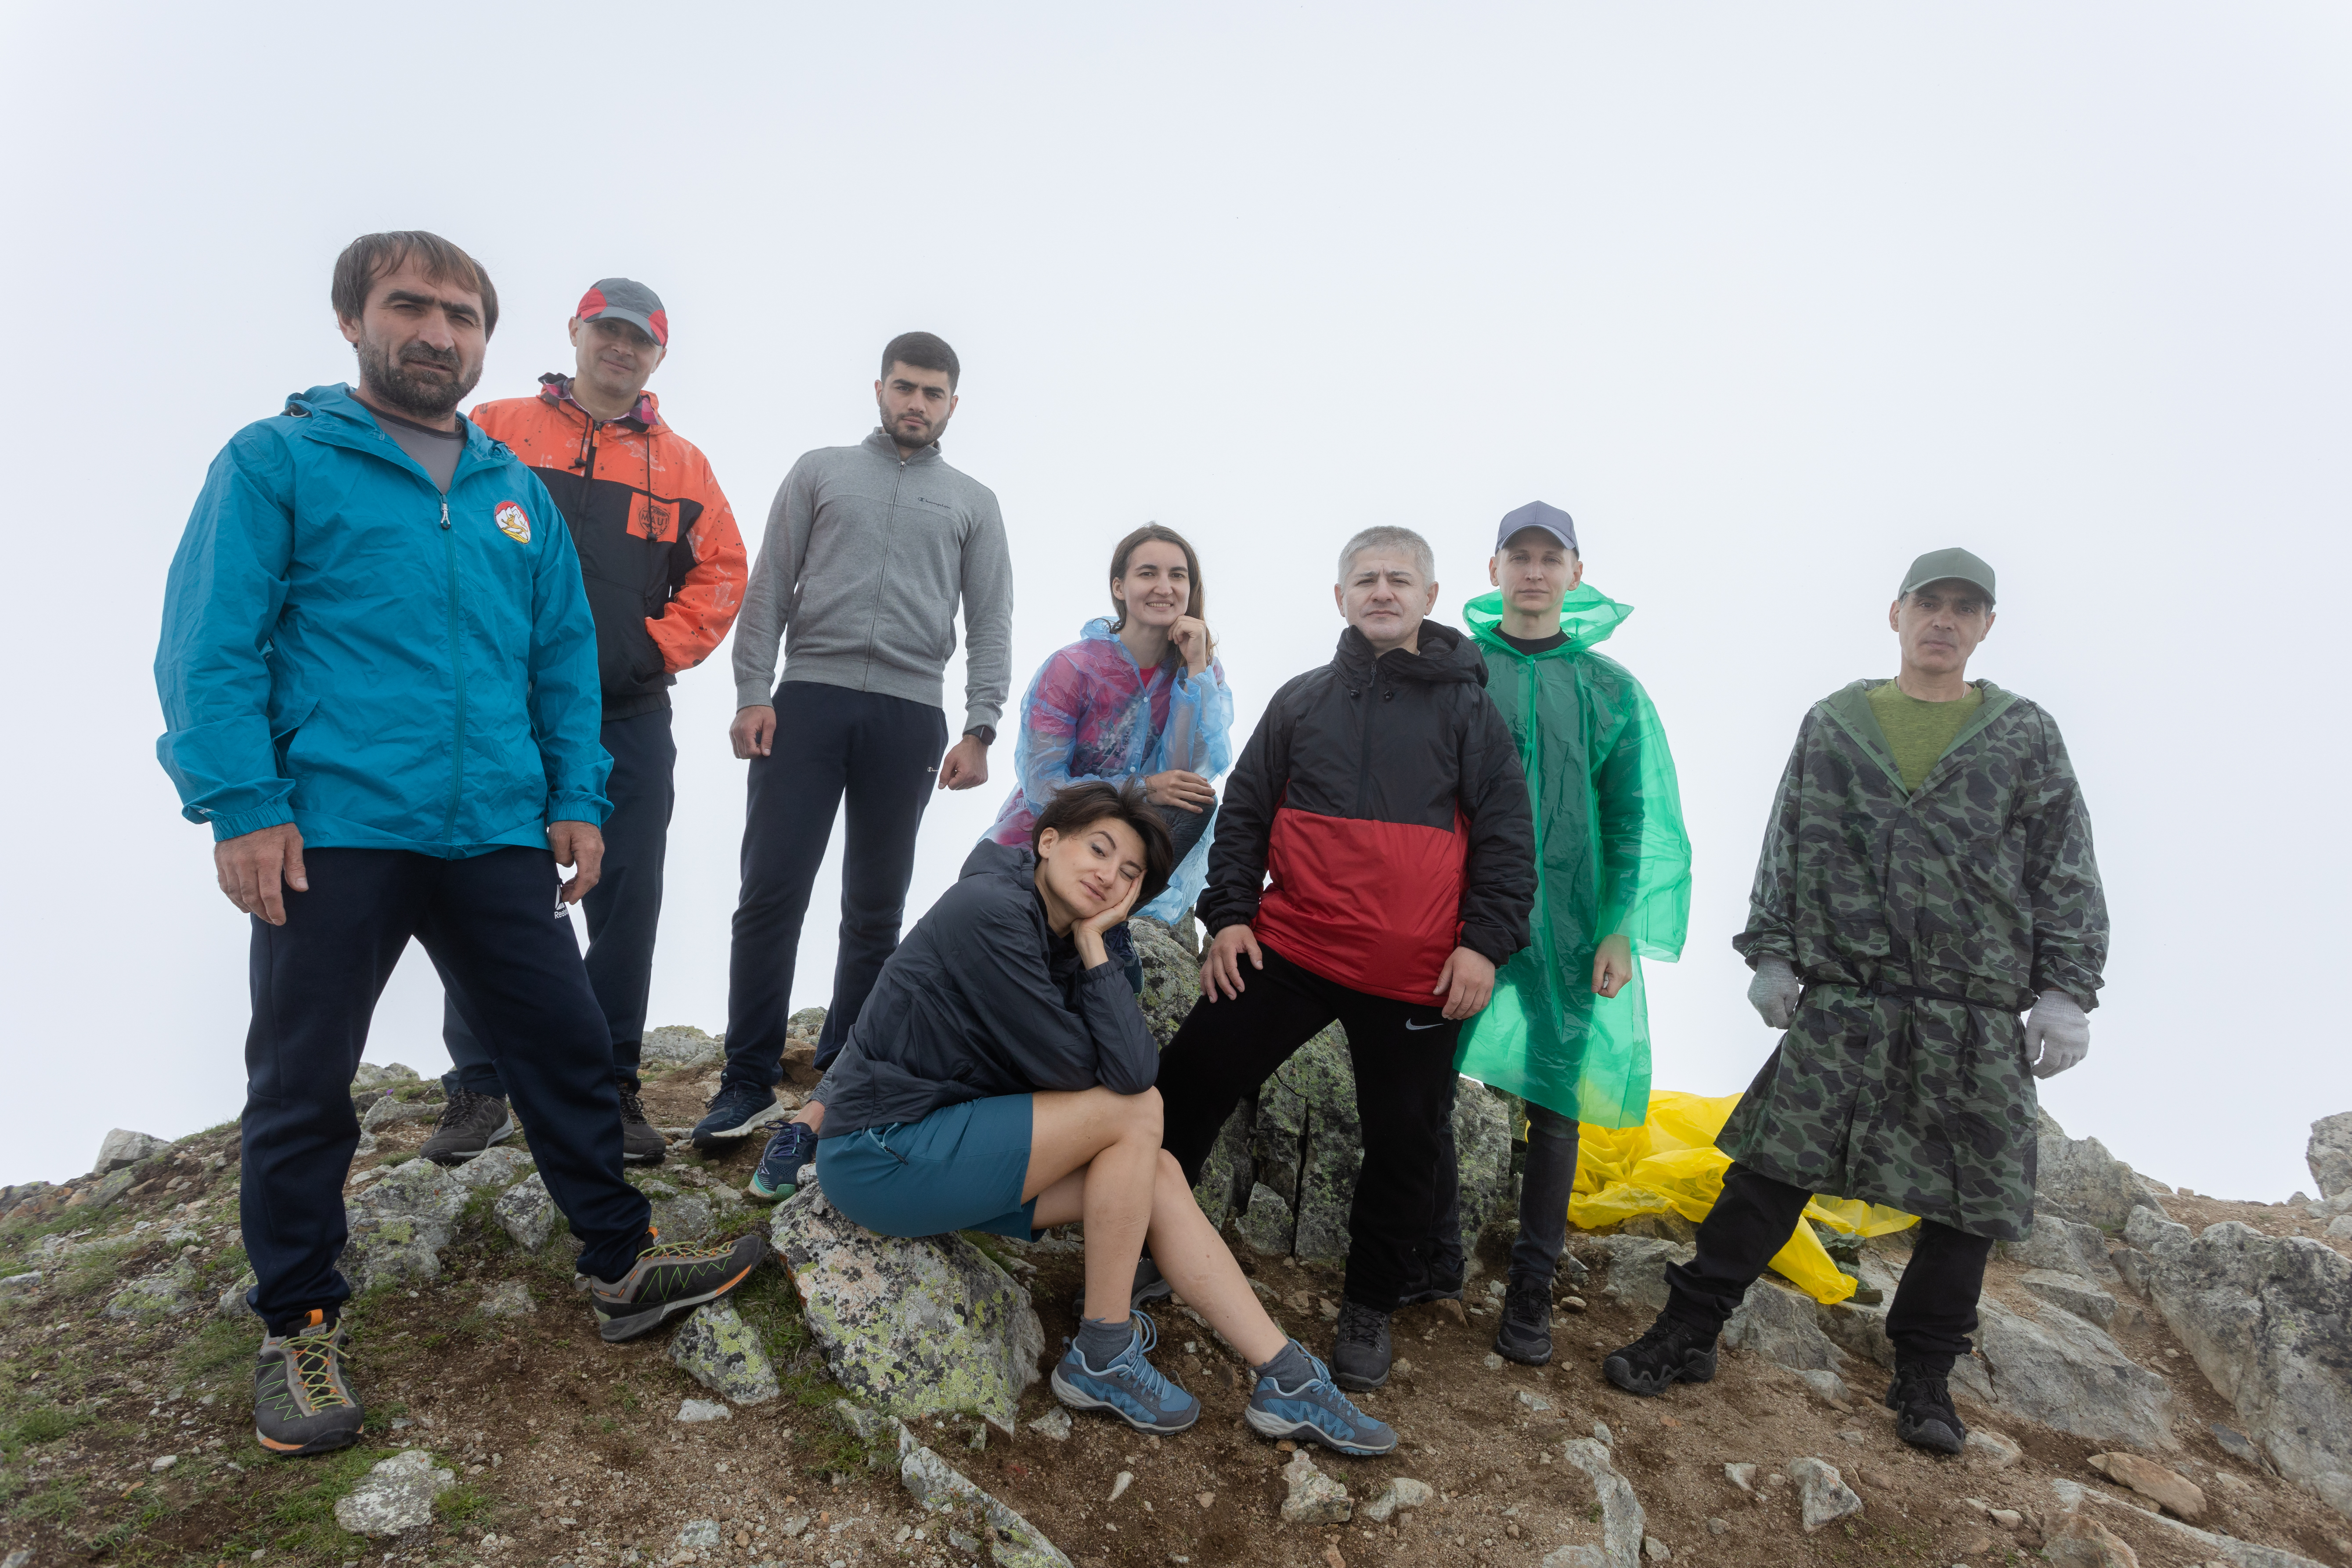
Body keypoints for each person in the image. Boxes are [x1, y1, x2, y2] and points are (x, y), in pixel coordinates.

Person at [153, 232, 764, 1458]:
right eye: (408, 307)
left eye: (459, 315)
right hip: (331, 827)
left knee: (566, 1046)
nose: (435, 331)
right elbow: (211, 642)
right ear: (353, 320)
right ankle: (301, 1317)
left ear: (486, 337)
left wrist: (575, 799)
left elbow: (554, 663)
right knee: (301, 1079)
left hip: (491, 827)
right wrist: (242, 802)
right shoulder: (278, 461)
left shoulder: (510, 488)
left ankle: (620, 1260)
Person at [1600, 548, 2107, 1457]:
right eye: (1928, 603)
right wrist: (1771, 952)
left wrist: (2066, 991)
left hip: (1972, 1008)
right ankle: (1686, 1330)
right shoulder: (1836, 724)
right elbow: (1786, 842)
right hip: (1847, 997)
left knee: (1968, 1204)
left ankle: (1921, 1379)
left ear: (1985, 626)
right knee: (1768, 1171)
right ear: (1895, 612)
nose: (1942, 621)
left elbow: (2062, 866)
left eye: (1963, 608)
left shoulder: (2024, 734)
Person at [807, 780, 1395, 1456]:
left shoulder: (1073, 935)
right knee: (1136, 1117)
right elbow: (1107, 1078)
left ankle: (1286, 1377)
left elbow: (1128, 1063)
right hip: (880, 1154)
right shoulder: (990, 911)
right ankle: (1103, 1351)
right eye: (1098, 849)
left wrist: (1096, 943)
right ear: (1048, 841)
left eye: (1129, 873)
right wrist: (1095, 955)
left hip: (943, 1147)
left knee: (1157, 1170)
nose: (1108, 875)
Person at [1154, 526, 1536, 1391]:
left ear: (1429, 599)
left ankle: (1368, 1302)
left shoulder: (1470, 712)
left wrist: (1482, 945)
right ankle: (1147, 1247)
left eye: (1399, 579)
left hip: (1415, 974)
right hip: (1291, 947)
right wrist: (1227, 918)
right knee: (1186, 1082)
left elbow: (1509, 839)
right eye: (1363, 578)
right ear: (1339, 597)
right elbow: (1244, 812)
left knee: (1405, 1141)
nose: (1381, 591)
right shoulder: (1300, 701)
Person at [747, 524, 1234, 1201]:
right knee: (922, 994)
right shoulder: (1075, 666)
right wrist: (1135, 789)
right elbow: (1042, 783)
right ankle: (812, 1122)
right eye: (1147, 573)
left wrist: (1199, 668)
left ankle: (1017, 1130)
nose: (1164, 587)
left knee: (1198, 799)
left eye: (1177, 575)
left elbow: (1188, 774)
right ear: (1119, 587)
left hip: (1100, 884)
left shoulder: (1192, 672)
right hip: (1022, 860)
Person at [422, 277, 745, 1167]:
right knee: (485, 883)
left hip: (628, 711)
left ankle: (611, 1081)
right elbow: (427, 525)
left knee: (626, 894)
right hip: (499, 707)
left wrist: (653, 651)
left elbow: (722, 572)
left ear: (657, 354)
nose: (620, 347)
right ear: (575, 332)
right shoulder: (495, 426)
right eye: (607, 330)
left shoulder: (684, 466)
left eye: (639, 338)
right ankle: (480, 1085)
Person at [702, 332, 1014, 1150]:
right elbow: (770, 585)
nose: (917, 403)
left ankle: (844, 1079)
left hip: (911, 715)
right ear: (880, 389)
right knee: (771, 890)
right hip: (806, 700)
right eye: (905, 387)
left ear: (953, 404)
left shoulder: (973, 501)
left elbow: (990, 620)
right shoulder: (820, 471)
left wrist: (981, 726)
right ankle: (745, 1079)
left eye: (933, 393)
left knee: (876, 909)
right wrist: (752, 691)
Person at [1425, 502, 1690, 1366]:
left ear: (1574, 573)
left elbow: (1636, 817)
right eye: (1519, 556)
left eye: (1550, 557)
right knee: (1421, 1081)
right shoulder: (1457, 670)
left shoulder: (1610, 689)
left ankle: (1530, 1291)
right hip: (1456, 916)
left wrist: (1619, 928)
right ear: (1493, 569)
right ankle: (1425, 1255)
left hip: (1572, 928)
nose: (1533, 572)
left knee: (1555, 1104)